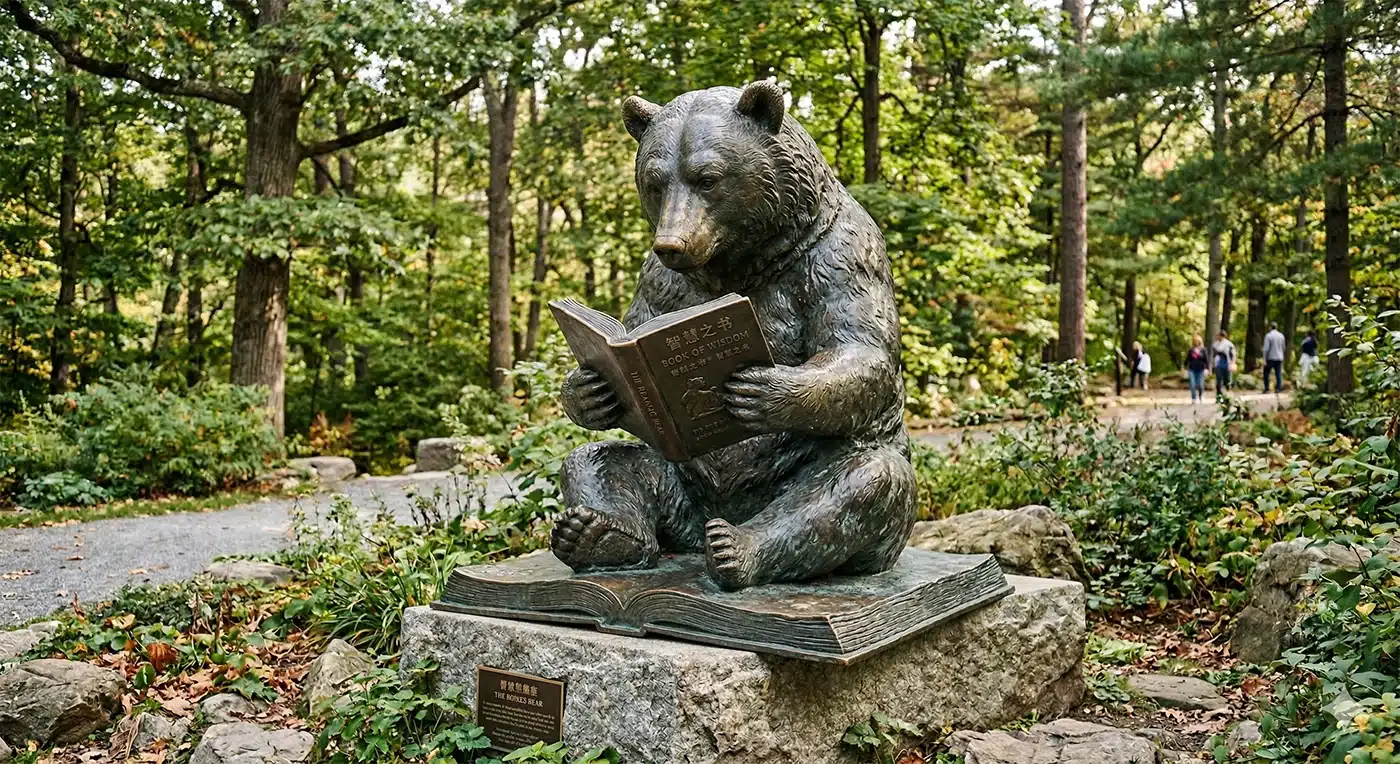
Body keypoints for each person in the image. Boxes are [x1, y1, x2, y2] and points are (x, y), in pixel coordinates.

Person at [1262, 322, 1286, 393]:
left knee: (1266, 373)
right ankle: (1278, 388)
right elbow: (1283, 347)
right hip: (1279, 357)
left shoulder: (1268, 335)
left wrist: (1264, 359)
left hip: (1270, 358)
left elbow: (1266, 348)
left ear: (1270, 327)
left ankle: (1267, 389)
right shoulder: (1281, 336)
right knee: (1278, 373)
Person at [1212, 330, 1237, 397]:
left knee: (1227, 380)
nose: (1217, 337)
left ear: (1222, 336)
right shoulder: (1215, 344)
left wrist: (1233, 363)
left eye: (1218, 335)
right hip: (1218, 364)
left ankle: (1228, 395)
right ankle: (1219, 396)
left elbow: (1233, 354)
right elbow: (1214, 355)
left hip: (1227, 364)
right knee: (1219, 380)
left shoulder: (1229, 344)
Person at [1185, 335, 1210, 403]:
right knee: (1192, 384)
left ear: (1200, 341)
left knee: (1200, 384)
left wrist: (1207, 369)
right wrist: (1184, 368)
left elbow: (1206, 360)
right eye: (1195, 341)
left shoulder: (1203, 350)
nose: (1196, 342)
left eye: (1198, 341)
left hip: (1201, 369)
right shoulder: (1191, 350)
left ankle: (1201, 396)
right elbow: (1187, 359)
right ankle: (1193, 398)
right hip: (1192, 369)